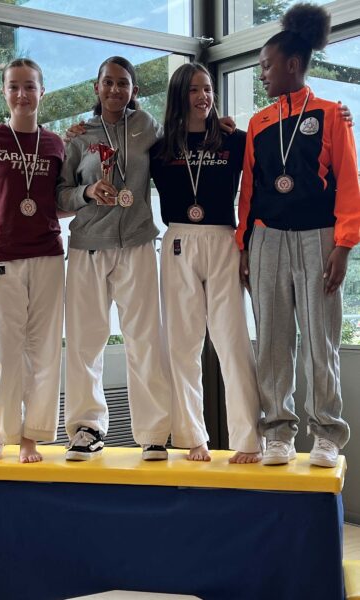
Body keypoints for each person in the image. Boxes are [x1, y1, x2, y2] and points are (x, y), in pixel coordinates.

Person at [236, 3, 360, 467]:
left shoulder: (331, 115)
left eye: (266, 66)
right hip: (267, 239)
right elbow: (249, 191)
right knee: (272, 339)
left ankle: (327, 434)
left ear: (292, 64)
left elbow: (349, 182)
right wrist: (244, 245)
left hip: (318, 238)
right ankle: (277, 432)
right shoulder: (259, 123)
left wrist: (343, 246)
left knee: (321, 340)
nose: (262, 74)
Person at [57, 56, 171, 461]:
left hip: (137, 244)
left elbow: (183, 144)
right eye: (108, 82)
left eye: (123, 83)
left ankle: (154, 433)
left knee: (145, 339)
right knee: (85, 341)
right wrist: (87, 193)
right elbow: (59, 195)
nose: (115, 89)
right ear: (96, 87)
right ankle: (86, 428)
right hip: (88, 246)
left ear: (134, 90)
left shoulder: (148, 127)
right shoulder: (79, 136)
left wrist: (219, 126)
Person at [150, 62, 263, 464]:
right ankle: (192, 436)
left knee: (233, 340)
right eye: (195, 90)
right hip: (179, 239)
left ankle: (249, 438)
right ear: (180, 95)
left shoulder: (235, 140)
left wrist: (340, 118)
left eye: (209, 89)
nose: (203, 97)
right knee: (182, 344)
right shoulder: (160, 148)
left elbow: (265, 172)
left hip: (222, 238)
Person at [0, 58, 66, 463]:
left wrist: (92, 196)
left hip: (47, 256)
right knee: (1, 352)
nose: (23, 94)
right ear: (4, 92)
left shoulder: (55, 144)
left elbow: (58, 202)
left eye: (30, 86)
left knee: (44, 351)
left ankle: (32, 437)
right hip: (0, 257)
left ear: (43, 91)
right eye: (14, 86)